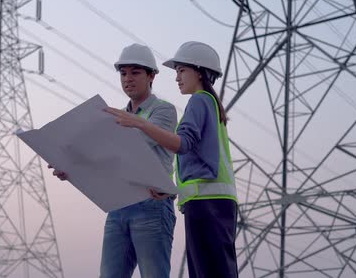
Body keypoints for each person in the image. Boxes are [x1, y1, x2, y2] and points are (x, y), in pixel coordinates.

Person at [106, 41, 238, 278]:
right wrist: (173, 188)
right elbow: (203, 162)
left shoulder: (199, 100)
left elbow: (183, 144)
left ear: (199, 71)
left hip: (207, 204)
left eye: (181, 70)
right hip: (214, 203)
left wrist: (140, 123)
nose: (177, 77)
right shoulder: (210, 104)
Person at [49, 43, 178, 278]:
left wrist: (86, 152)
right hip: (119, 208)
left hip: (152, 206)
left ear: (152, 76)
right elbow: (107, 161)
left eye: (135, 73)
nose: (128, 79)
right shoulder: (115, 117)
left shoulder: (163, 110)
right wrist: (70, 166)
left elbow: (131, 147)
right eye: (123, 73)